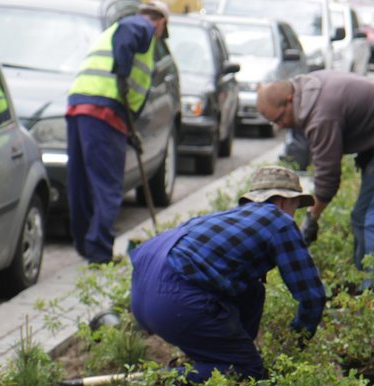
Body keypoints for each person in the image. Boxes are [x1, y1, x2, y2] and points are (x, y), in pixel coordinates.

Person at [129, 165, 326, 383]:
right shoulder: (279, 220)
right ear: (282, 201)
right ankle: (166, 380)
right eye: (295, 206)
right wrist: (295, 344)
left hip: (143, 296)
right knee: (246, 369)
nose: (294, 215)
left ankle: (220, 357)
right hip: (176, 301)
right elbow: (312, 296)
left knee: (253, 291)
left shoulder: (223, 220)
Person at [256, 70, 374, 280]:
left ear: (289, 101)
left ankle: (370, 295)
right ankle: (361, 278)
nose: (280, 126)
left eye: (280, 119)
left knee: (371, 220)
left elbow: (328, 179)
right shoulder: (306, 90)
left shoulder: (320, 116)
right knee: (361, 216)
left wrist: (311, 218)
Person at [65, 1, 169, 264]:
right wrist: (121, 74)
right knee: (108, 186)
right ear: (161, 22)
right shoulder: (140, 25)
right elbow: (127, 36)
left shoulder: (112, 32)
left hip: (80, 105)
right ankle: (99, 251)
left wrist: (130, 131)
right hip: (105, 111)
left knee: (81, 181)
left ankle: (84, 244)